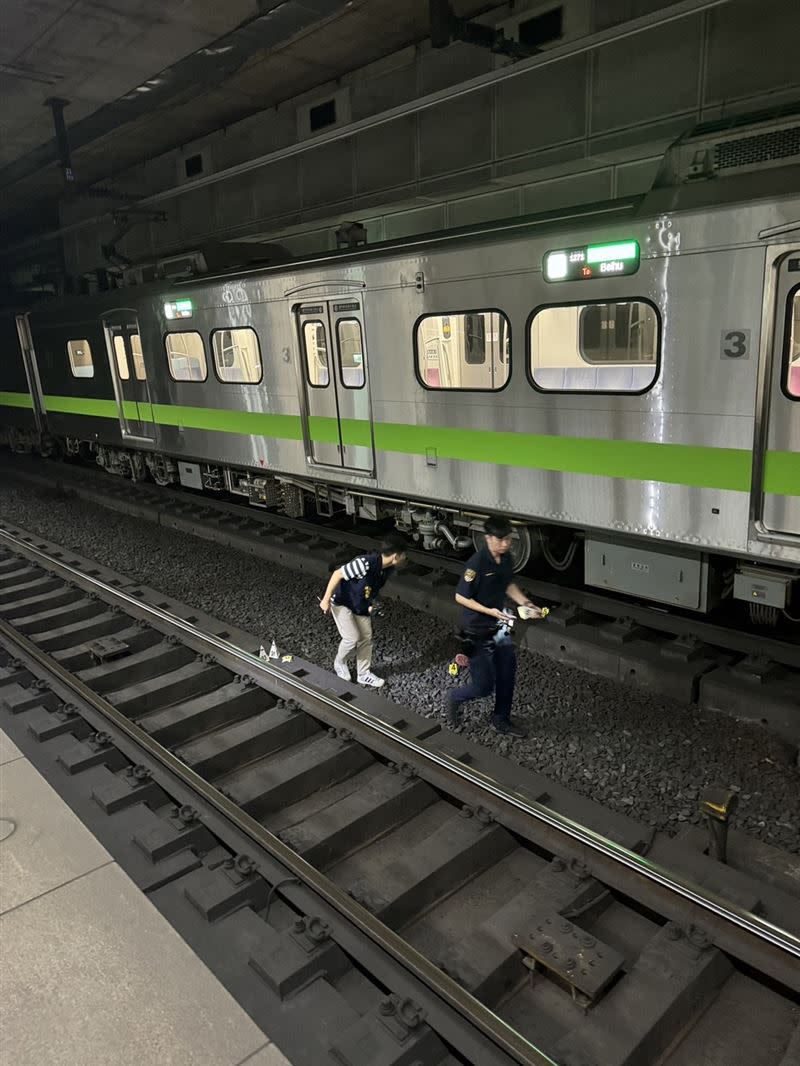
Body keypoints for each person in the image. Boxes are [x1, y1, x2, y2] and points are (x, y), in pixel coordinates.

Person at [446, 516, 543, 737]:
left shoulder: (506, 558)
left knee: (507, 673)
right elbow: (461, 596)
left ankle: (501, 720)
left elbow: (507, 584)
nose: (505, 544)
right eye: (500, 540)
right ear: (488, 538)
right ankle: (454, 697)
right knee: (483, 687)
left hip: (499, 627)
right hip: (477, 630)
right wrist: (489, 611)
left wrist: (526, 604)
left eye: (508, 539)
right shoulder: (476, 564)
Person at [319, 533, 408, 687]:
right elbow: (337, 574)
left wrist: (370, 604)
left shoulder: (385, 570)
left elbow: (370, 589)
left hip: (359, 605)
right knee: (352, 637)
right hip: (342, 603)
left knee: (366, 638)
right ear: (395, 556)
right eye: (403, 556)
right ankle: (339, 662)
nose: (405, 559)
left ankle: (363, 673)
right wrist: (325, 600)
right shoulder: (364, 563)